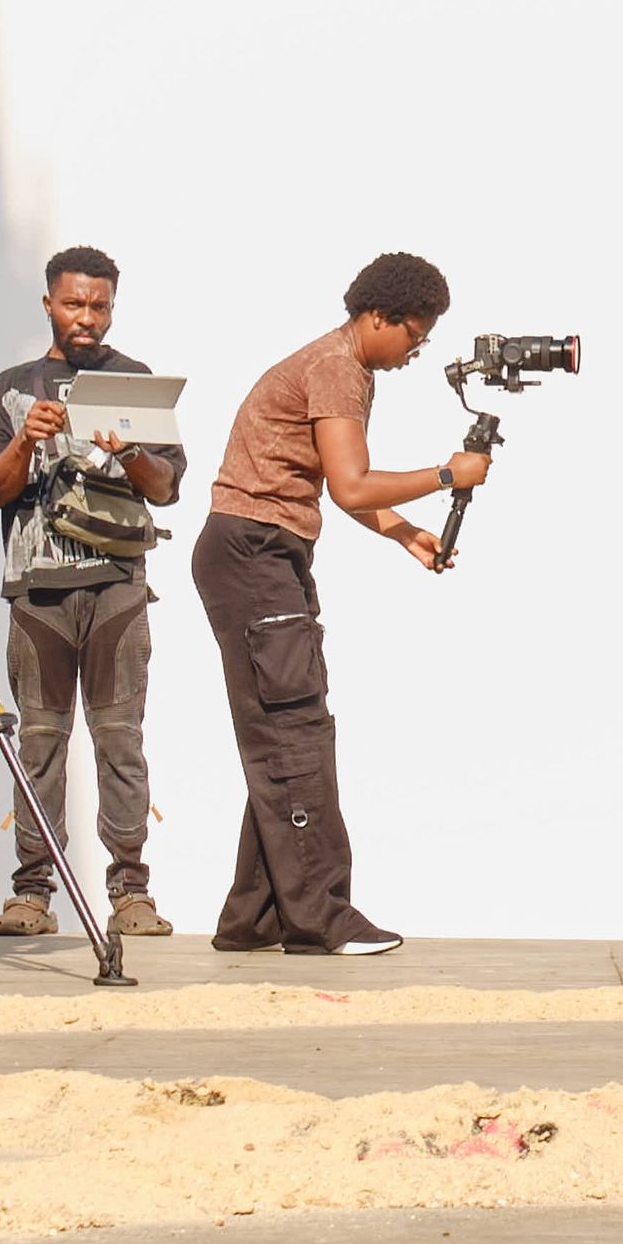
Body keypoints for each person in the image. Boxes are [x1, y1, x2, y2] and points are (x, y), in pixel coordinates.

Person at [195, 247, 494, 953]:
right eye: (414, 335)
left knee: (284, 730)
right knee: (295, 731)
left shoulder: (339, 364)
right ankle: (320, 916)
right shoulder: (338, 368)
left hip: (264, 551)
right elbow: (353, 483)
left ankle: (255, 917)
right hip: (254, 552)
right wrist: (448, 472)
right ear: (377, 316)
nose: (416, 351)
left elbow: (339, 485)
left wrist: (407, 535)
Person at [0, 243, 187, 942]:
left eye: (98, 304)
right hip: (38, 592)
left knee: (121, 739)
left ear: (112, 305)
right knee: (40, 743)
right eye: (73, 302)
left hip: (119, 585)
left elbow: (168, 487)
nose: (85, 317)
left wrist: (128, 449)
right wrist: (25, 441)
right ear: (49, 303)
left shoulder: (136, 381)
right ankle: (32, 892)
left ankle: (131, 892)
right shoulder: (13, 384)